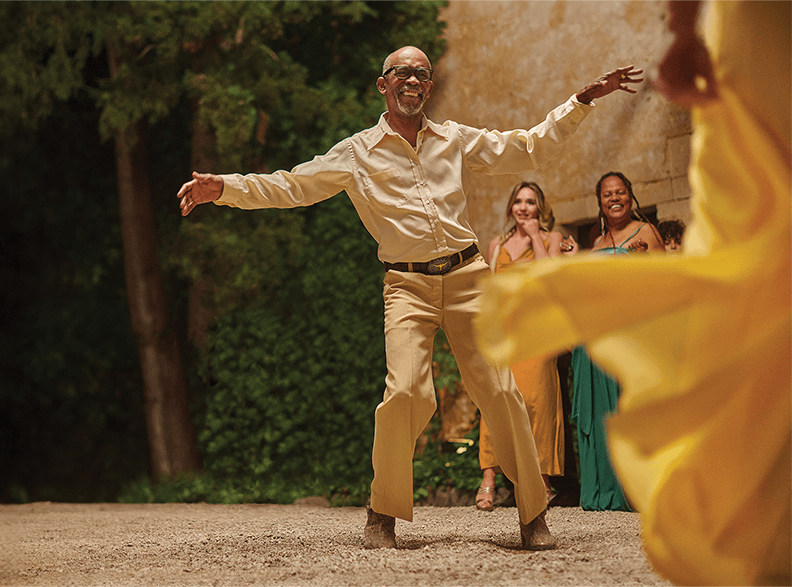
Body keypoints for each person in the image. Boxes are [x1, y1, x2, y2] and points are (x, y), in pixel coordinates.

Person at [177, 45, 643, 551]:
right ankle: (383, 511)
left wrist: (581, 100)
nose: (414, 79)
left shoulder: (453, 139)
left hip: (469, 279)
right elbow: (292, 186)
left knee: (502, 392)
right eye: (402, 71)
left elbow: (526, 146)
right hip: (406, 286)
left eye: (422, 73)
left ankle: (532, 514)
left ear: (430, 86)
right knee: (405, 394)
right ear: (384, 84)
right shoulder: (356, 152)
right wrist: (223, 187)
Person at [475, 0, 790, 583]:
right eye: (607, 194)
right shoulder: (576, 237)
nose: (614, 199)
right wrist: (688, 26)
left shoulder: (635, 232)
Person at [476, 182, 573, 512]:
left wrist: (535, 236)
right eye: (517, 201)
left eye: (530, 202)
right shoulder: (496, 244)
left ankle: (541, 484)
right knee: (496, 402)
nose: (523, 207)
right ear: (510, 208)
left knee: (539, 404)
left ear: (539, 208)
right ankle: (488, 480)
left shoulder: (552, 239)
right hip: (504, 336)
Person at [571, 171, 663, 512]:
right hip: (593, 338)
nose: (614, 198)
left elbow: (665, 284)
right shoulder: (595, 243)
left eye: (620, 192)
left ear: (630, 196)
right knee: (600, 414)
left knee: (628, 406)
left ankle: (636, 487)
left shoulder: (646, 233)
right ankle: (601, 489)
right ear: (600, 202)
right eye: (608, 194)